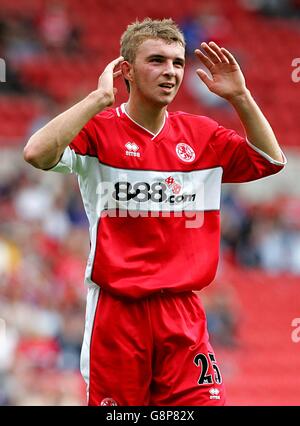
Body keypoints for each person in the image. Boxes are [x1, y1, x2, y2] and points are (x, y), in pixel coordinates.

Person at [23, 18, 286, 406]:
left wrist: (241, 97)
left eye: (178, 63)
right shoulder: (98, 130)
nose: (171, 72)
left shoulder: (203, 135)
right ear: (126, 70)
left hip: (183, 313)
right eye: (157, 61)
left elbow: (269, 160)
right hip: (118, 314)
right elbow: (36, 153)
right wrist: (97, 100)